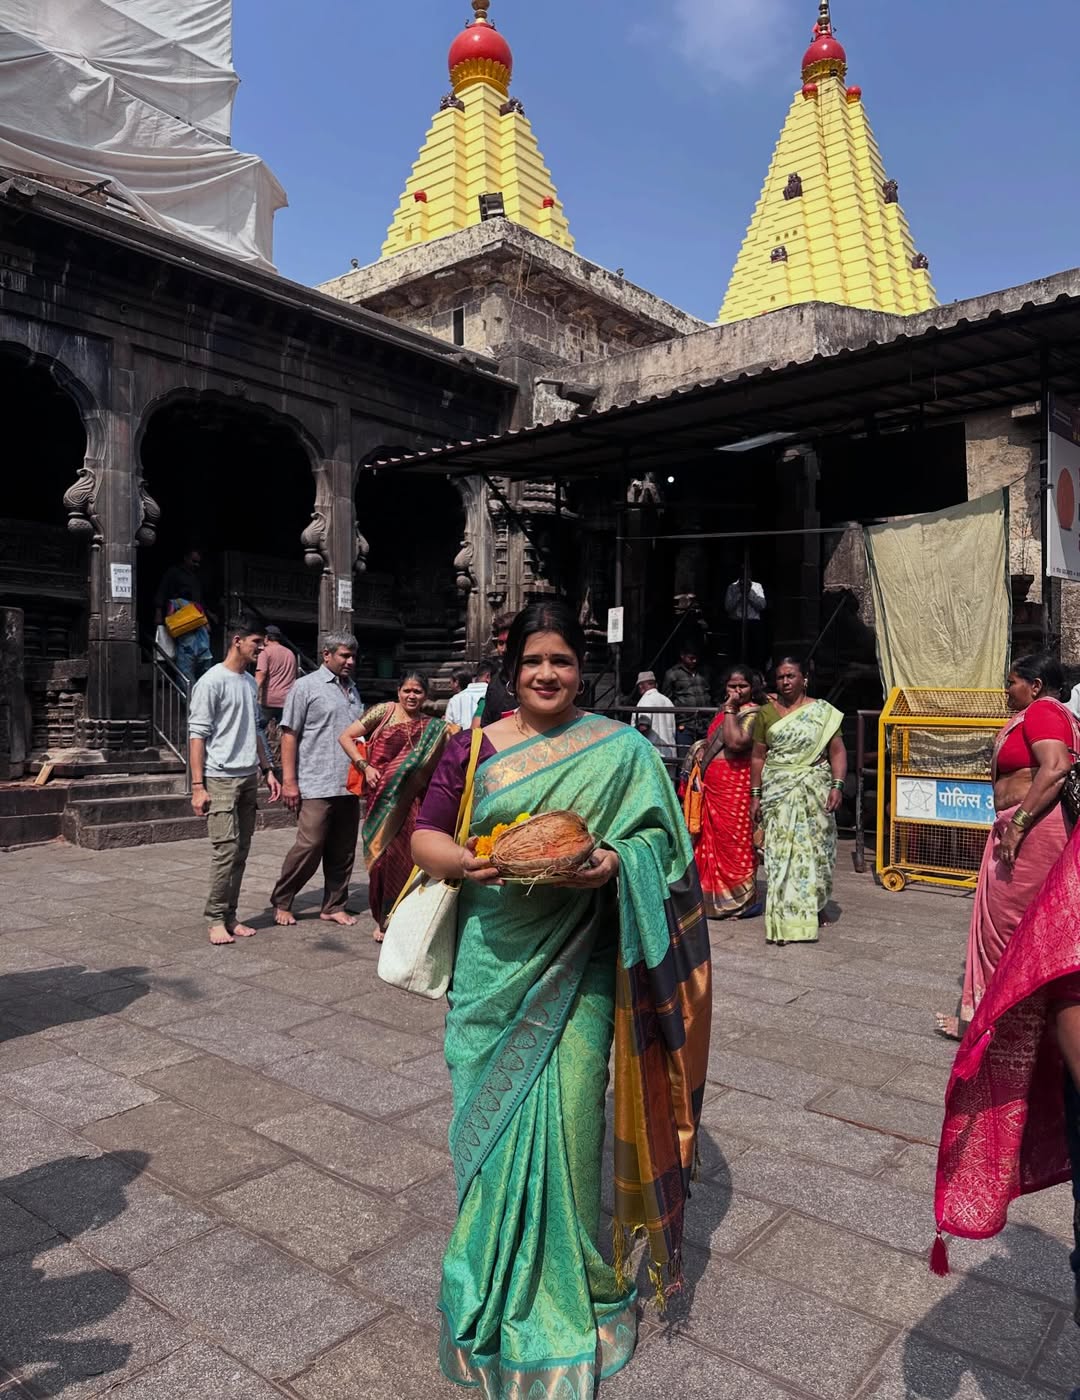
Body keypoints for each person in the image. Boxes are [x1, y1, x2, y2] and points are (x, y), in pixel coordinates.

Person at [411, 600, 711, 1398]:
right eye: (535, 662)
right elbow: (424, 832)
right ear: (512, 671)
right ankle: (486, 1282)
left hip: (578, 962)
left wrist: (616, 863)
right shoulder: (471, 746)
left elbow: (665, 842)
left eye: (564, 662)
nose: (549, 674)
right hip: (491, 962)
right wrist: (466, 864)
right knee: (484, 1132)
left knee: (575, 1126)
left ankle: (571, 1286)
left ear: (583, 670)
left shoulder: (620, 751)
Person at [934, 806, 1080, 1314]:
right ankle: (991, 1010)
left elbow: (1055, 766)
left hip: (1031, 840)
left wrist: (1019, 824)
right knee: (1020, 956)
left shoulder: (1048, 722)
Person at [935, 653, 1079, 1039]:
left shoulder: (1043, 711)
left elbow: (1056, 768)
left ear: (1035, 686)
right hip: (1030, 826)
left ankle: (998, 1027)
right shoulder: (1047, 714)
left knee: (1009, 926)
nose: (1006, 689)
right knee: (1018, 924)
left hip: (1033, 830)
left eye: (1013, 681)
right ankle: (1005, 1021)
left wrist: (1018, 823)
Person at [338, 671, 454, 941]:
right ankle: (382, 920)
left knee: (410, 858)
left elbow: (453, 754)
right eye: (407, 691)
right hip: (383, 800)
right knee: (382, 858)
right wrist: (363, 766)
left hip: (415, 802)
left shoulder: (434, 727)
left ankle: (404, 917)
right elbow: (346, 737)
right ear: (398, 691)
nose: (411, 696)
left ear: (426, 696)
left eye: (417, 692)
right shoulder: (384, 712)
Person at [188, 615, 281, 945]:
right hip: (220, 778)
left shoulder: (246, 683)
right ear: (237, 641)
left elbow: (255, 730)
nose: (261, 649)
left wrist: (268, 769)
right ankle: (214, 917)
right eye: (257, 642)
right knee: (224, 850)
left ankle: (230, 914)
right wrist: (198, 787)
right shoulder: (211, 682)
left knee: (241, 850)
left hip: (247, 777)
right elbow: (197, 736)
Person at [269, 633, 364, 929]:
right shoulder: (305, 686)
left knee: (344, 848)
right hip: (315, 781)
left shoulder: (353, 690)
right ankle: (283, 899)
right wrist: (289, 780)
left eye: (352, 657)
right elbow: (289, 734)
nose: (350, 662)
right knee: (310, 844)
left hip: (348, 783)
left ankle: (334, 904)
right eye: (344, 656)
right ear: (326, 655)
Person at [749, 656, 846, 944]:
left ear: (804, 678)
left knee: (819, 851)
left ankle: (816, 904)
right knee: (780, 854)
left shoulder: (822, 712)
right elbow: (758, 756)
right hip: (779, 790)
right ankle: (786, 917)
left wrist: (837, 785)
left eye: (791, 676)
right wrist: (755, 795)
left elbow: (837, 751)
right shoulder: (765, 714)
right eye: (780, 677)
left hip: (815, 787)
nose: (785, 682)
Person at [682, 664, 767, 919]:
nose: (738, 691)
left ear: (753, 688)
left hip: (737, 789)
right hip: (713, 789)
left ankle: (739, 901)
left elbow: (735, 742)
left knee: (736, 842)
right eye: (733, 686)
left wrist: (730, 707)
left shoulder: (754, 713)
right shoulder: (724, 710)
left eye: (743, 686)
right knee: (710, 842)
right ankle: (708, 900)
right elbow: (712, 740)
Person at [155, 545, 213, 683]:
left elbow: (200, 600)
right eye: (193, 561)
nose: (196, 565)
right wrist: (158, 612)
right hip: (179, 615)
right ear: (186, 558)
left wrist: (207, 617)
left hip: (197, 618)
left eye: (198, 562)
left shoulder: (196, 577)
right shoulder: (174, 573)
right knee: (182, 653)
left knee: (200, 656)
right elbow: (162, 591)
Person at [255, 624, 298, 766]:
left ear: (266, 638)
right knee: (289, 733)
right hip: (288, 700)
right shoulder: (290, 653)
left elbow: (260, 675)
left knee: (257, 727)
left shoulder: (265, 652)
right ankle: (291, 763)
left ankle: (268, 761)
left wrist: (252, 694)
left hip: (268, 700)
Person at [662, 644, 711, 752]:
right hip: (685, 724)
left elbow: (709, 692)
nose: (694, 661)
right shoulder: (672, 674)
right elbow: (667, 699)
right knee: (685, 758)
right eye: (691, 658)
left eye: (696, 658)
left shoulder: (703, 672)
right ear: (682, 656)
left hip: (704, 723)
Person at [479, 612, 515, 727]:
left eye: (510, 643)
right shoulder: (495, 682)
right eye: (500, 643)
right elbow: (486, 725)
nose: (504, 649)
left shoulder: (536, 680)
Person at [724, 576, 767, 668]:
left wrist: (748, 594)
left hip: (753, 623)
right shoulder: (732, 587)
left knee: (755, 652)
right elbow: (728, 607)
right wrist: (740, 594)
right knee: (736, 652)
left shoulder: (757, 586)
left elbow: (762, 605)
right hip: (736, 623)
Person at [633, 670, 676, 758]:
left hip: (653, 754)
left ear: (641, 686)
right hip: (670, 753)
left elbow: (643, 727)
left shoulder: (646, 700)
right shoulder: (667, 700)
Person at [446, 664, 490, 729]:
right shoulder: (490, 693)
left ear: (456, 682)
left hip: (463, 738)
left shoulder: (454, 700)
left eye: (450, 682)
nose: (449, 685)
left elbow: (448, 729)